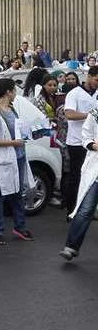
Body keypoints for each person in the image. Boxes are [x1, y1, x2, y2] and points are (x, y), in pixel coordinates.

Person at [0, 78, 35, 245]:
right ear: (8, 92)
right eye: (14, 90)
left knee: (17, 194)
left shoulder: (12, 109)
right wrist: (13, 143)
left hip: (17, 157)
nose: (15, 93)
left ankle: (20, 226)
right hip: (3, 159)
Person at [60, 104, 98, 260]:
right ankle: (71, 246)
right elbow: (86, 136)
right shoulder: (95, 114)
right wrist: (94, 145)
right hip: (95, 170)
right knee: (85, 209)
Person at [62, 66, 98, 214]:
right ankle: (72, 210)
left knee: (92, 177)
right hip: (77, 142)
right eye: (97, 80)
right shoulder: (74, 94)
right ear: (89, 76)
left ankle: (88, 209)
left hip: (94, 143)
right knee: (77, 177)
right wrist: (90, 116)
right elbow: (69, 114)